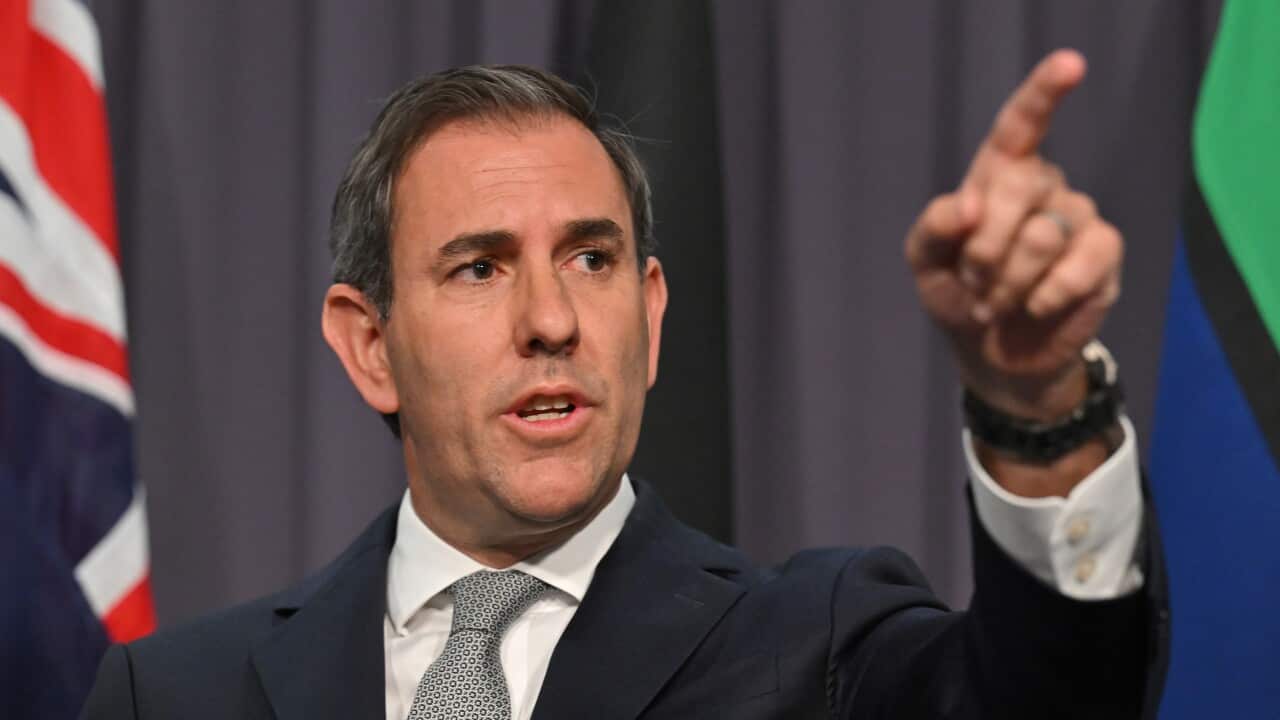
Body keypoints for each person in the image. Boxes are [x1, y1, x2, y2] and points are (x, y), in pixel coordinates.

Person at [81, 50, 1168, 719]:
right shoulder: (176, 696)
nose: (551, 320)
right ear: (369, 345)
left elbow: (1060, 701)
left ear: (648, 315)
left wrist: (1034, 403)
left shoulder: (818, 647)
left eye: (591, 259)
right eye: (479, 266)